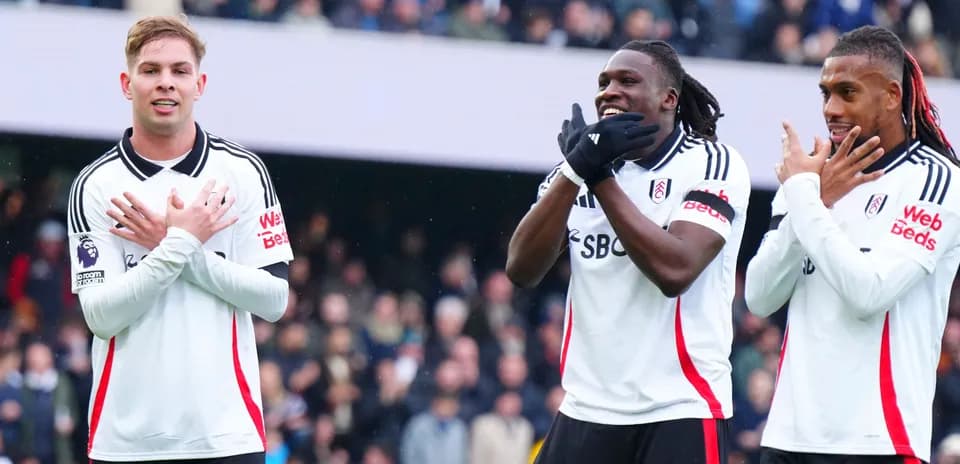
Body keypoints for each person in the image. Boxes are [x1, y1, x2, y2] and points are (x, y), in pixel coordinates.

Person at [506, 39, 751, 463]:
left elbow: (676, 270)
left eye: (627, 80)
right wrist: (574, 170)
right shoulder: (576, 172)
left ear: (668, 99)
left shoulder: (713, 163)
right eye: (603, 82)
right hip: (586, 407)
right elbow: (521, 269)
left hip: (679, 409)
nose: (608, 91)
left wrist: (598, 177)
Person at [65, 15, 293, 463]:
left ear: (200, 83)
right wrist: (181, 242)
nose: (165, 83)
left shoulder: (243, 172)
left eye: (179, 71)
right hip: (125, 442)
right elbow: (100, 317)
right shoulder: (95, 184)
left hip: (227, 437)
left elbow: (274, 299)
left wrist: (176, 246)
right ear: (126, 83)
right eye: (150, 70)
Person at [745, 25, 959, 464]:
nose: (830, 109)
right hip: (788, 437)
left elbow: (869, 294)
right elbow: (760, 297)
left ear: (892, 95)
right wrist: (814, 197)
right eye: (825, 93)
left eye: (847, 92)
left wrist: (808, 200)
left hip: (877, 440)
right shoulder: (809, 183)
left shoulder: (935, 180)